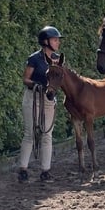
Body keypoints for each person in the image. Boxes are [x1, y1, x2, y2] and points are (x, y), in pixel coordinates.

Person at [17, 26, 63, 183]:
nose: (58, 42)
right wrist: (36, 84)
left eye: (58, 40)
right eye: (55, 40)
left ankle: (46, 170)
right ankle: (23, 169)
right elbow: (26, 79)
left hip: (48, 100)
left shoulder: (57, 59)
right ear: (45, 41)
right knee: (29, 134)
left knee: (47, 135)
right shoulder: (35, 58)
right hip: (33, 97)